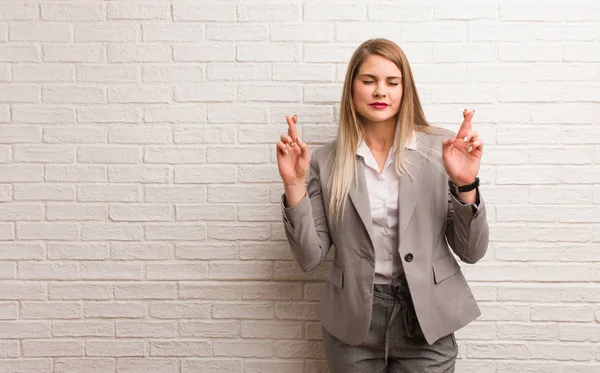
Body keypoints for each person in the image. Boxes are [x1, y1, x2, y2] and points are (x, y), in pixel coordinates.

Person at [276, 38, 489, 373]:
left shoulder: (441, 149)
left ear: (406, 90)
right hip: (354, 323)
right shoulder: (326, 160)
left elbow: (472, 250)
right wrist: (294, 185)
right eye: (369, 81)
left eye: (392, 82)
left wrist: (465, 185)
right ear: (352, 89)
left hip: (425, 320)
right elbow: (308, 258)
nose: (380, 92)